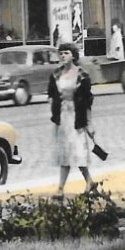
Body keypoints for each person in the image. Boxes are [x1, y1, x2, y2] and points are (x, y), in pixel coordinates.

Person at [47, 42, 97, 197]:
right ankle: (62, 188)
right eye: (61, 53)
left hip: (77, 117)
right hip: (62, 117)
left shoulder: (82, 75)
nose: (63, 56)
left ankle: (88, 182)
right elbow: (51, 94)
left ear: (73, 55)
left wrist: (89, 122)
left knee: (78, 151)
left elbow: (88, 101)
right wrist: (54, 109)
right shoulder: (56, 74)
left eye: (66, 53)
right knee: (65, 152)